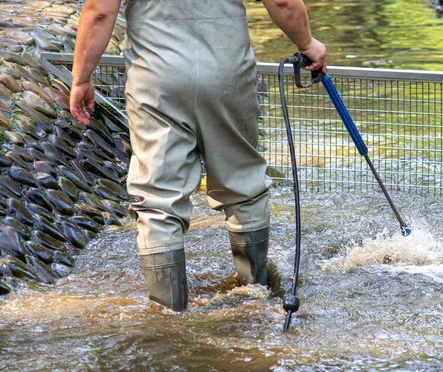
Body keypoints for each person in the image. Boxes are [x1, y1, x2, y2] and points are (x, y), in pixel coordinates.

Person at [70, 0, 327, 312]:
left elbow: (99, 10)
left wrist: (82, 78)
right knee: (243, 185)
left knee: (157, 198)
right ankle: (255, 295)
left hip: (156, 80)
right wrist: (308, 44)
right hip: (227, 73)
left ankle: (168, 314)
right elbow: (283, 2)